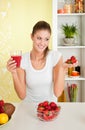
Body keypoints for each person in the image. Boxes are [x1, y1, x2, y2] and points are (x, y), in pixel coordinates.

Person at [7, 21, 65, 103]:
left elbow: (57, 93)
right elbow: (22, 95)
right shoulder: (22, 59)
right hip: (29, 108)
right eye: (39, 38)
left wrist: (62, 69)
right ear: (32, 37)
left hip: (49, 110)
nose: (42, 43)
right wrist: (14, 73)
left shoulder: (55, 57)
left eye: (46, 39)